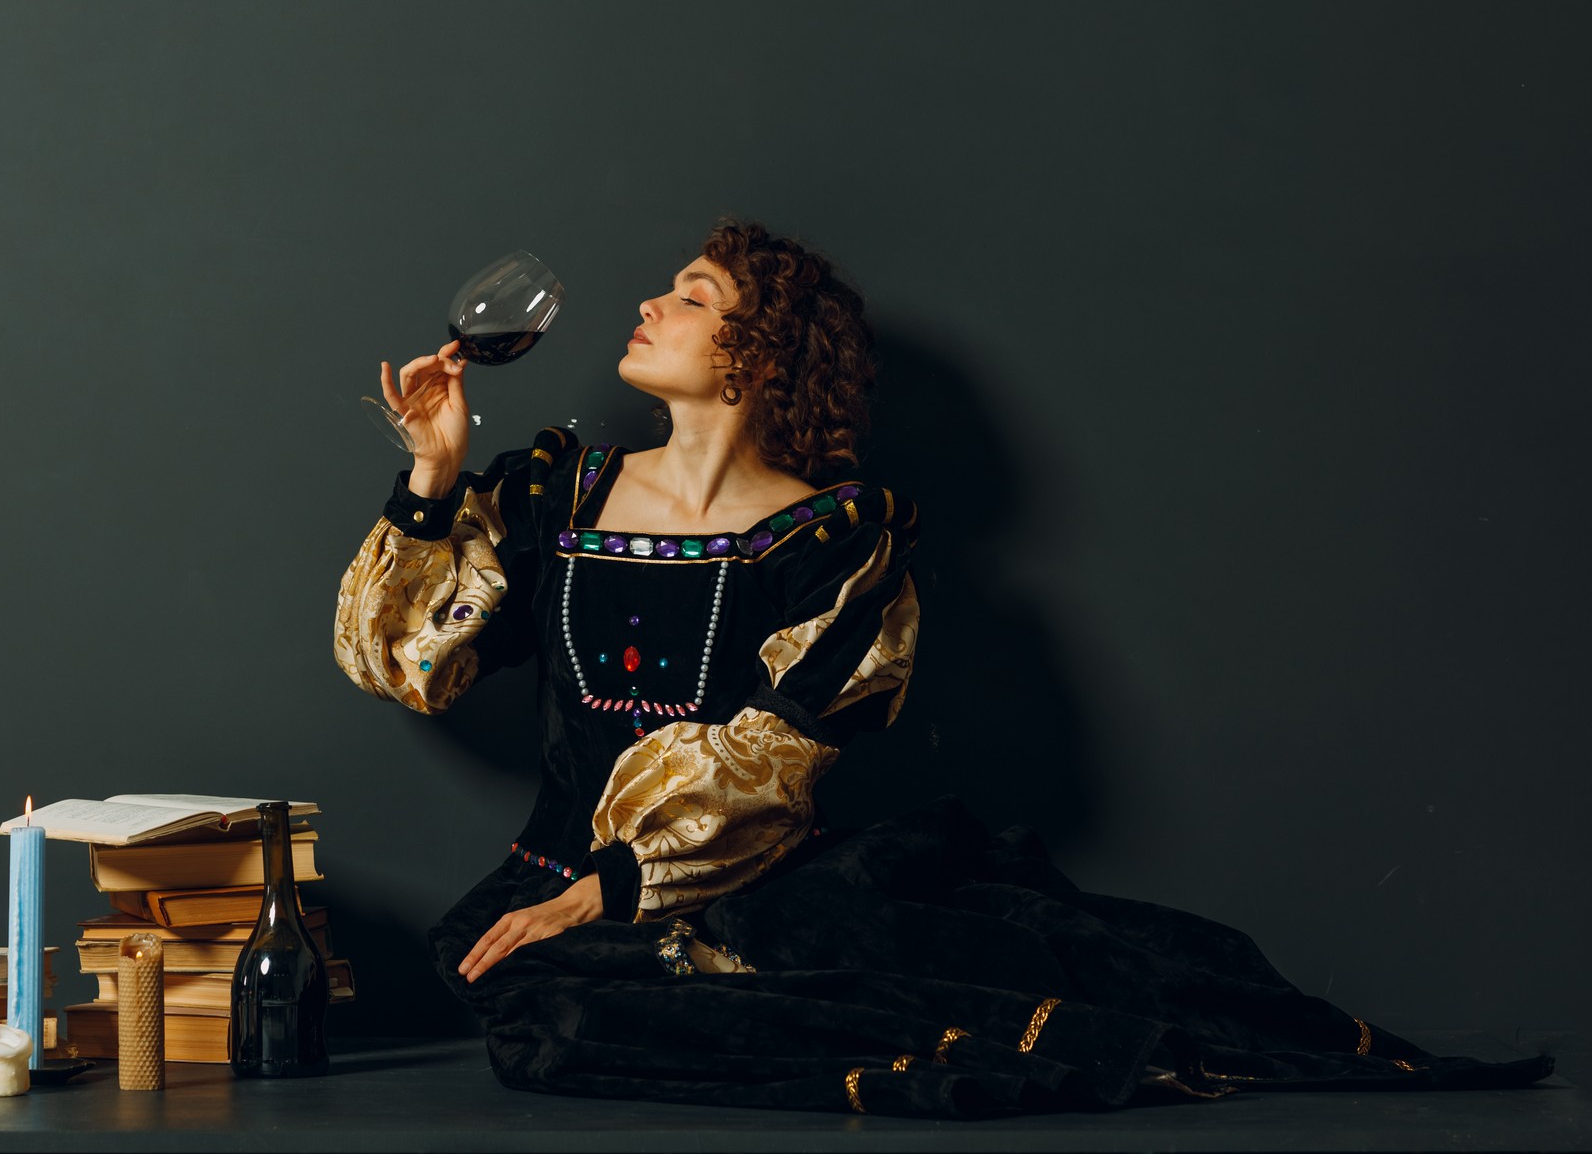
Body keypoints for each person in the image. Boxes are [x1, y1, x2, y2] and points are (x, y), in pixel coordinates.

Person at [333, 221, 1553, 1119]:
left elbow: (772, 756)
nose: (649, 303)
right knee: (535, 999)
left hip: (743, 890)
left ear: (756, 354)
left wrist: (602, 891)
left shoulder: (834, 541)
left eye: (692, 295)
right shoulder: (561, 493)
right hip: (544, 893)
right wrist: (434, 476)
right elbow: (402, 666)